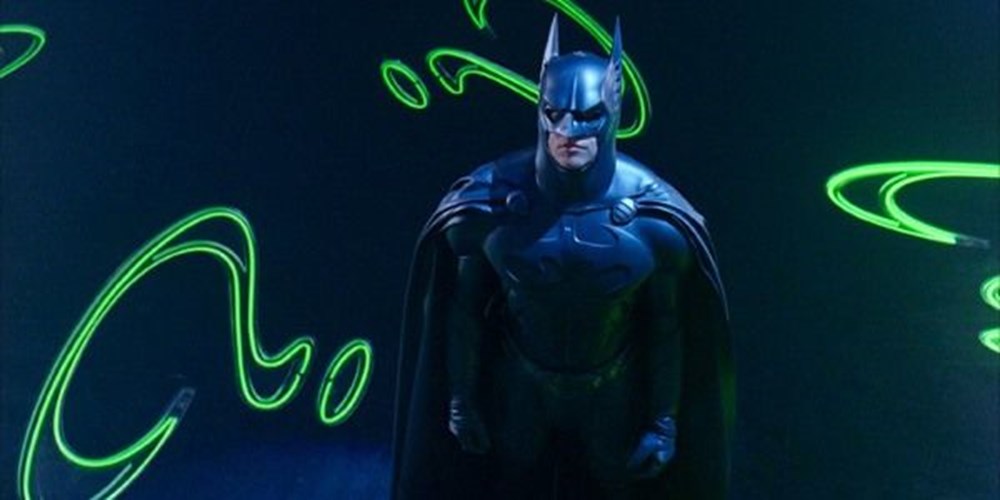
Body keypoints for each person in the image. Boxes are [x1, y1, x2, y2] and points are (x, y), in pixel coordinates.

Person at [392, 16, 734, 500]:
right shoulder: (489, 205)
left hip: (612, 386)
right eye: (554, 114)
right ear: (540, 109)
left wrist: (663, 421)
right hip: (520, 383)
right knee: (510, 484)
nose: (568, 131)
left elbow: (667, 325)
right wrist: (461, 402)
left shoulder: (655, 220)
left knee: (617, 487)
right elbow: (463, 309)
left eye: (588, 115)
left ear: (612, 111)